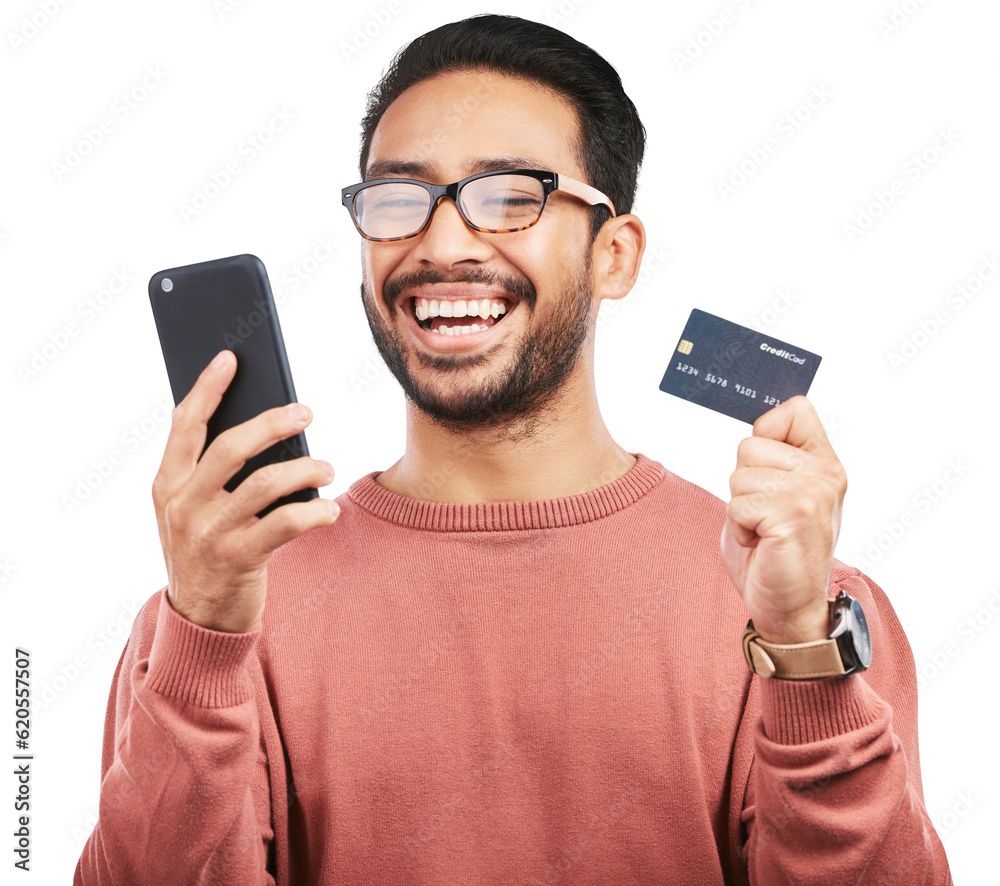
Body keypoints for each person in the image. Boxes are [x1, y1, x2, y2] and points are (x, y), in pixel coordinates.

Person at [76, 14, 953, 885]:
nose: (444, 244)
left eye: (508, 196)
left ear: (615, 254)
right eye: (397, 199)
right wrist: (204, 636)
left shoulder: (806, 610)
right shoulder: (216, 609)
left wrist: (802, 656)